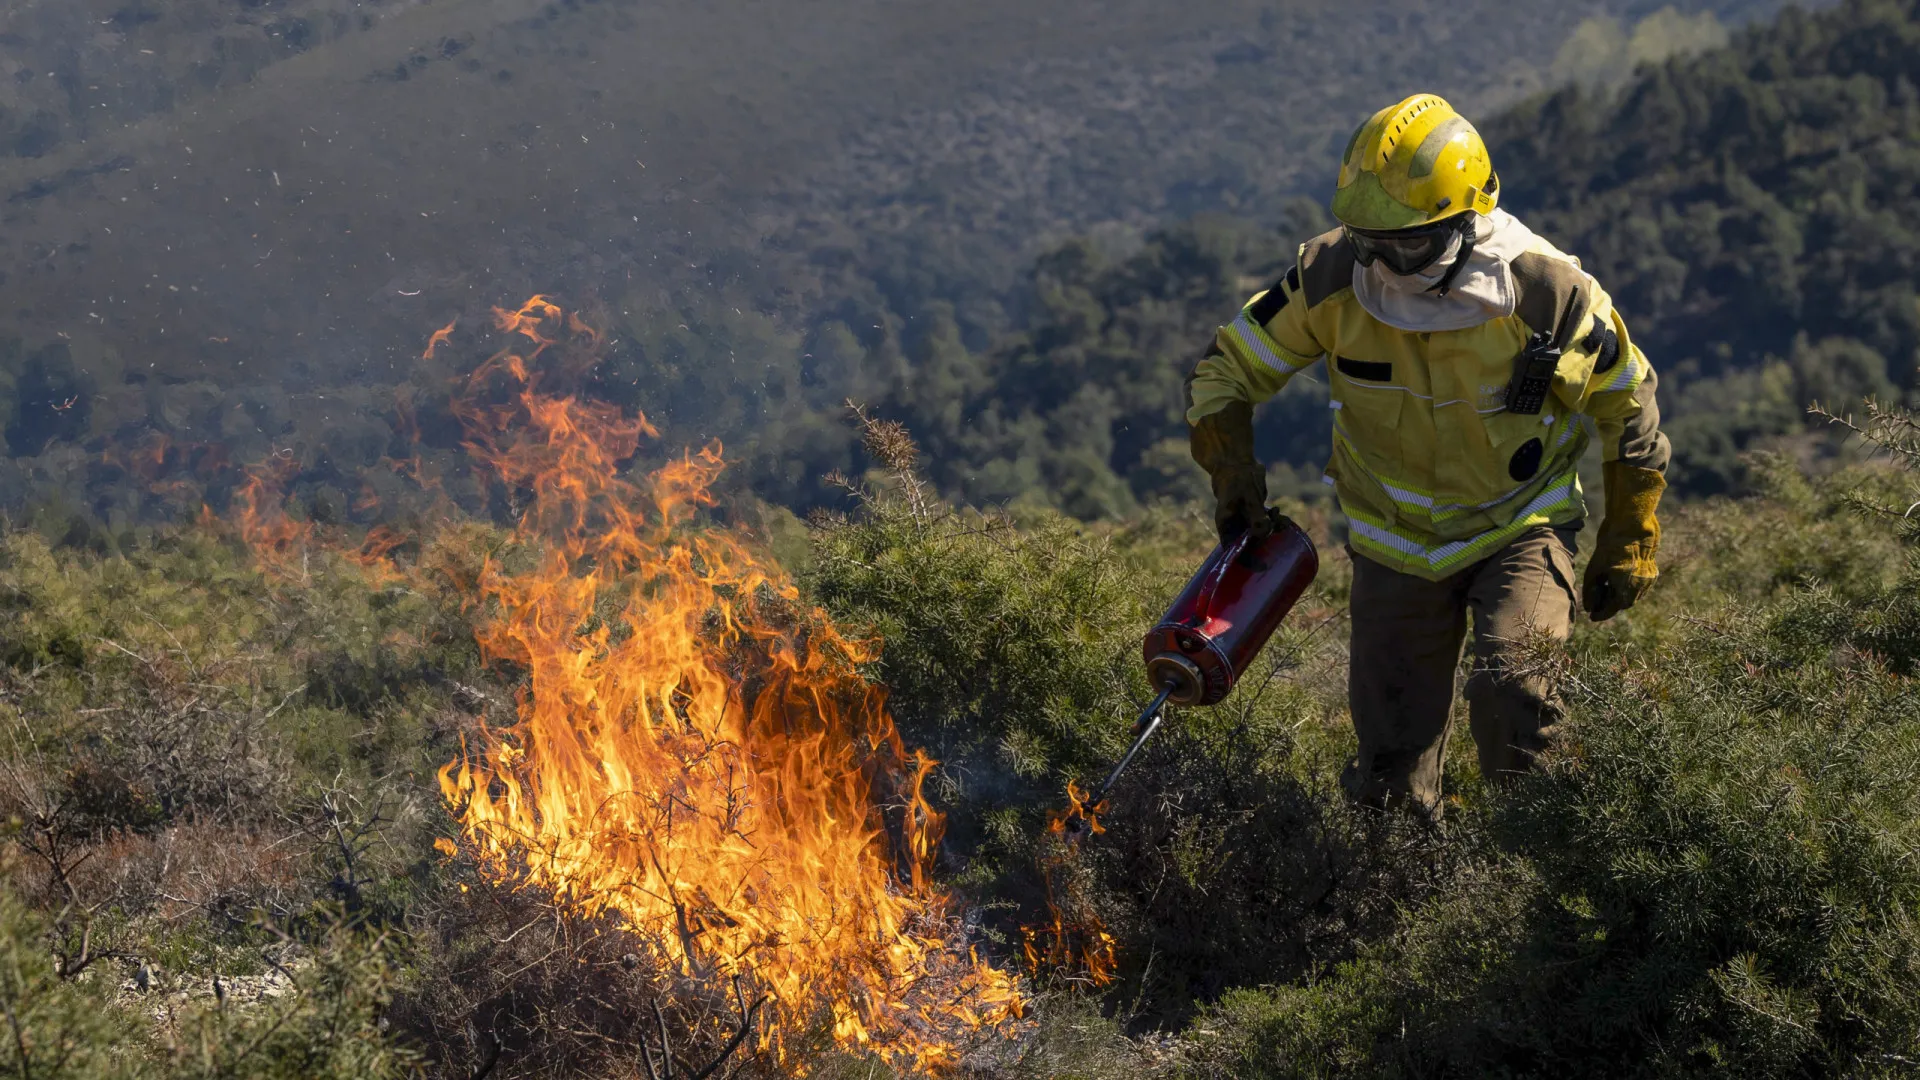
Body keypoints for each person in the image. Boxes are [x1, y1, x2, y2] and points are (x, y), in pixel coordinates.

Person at [1185, 94, 1669, 818]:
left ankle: (1534, 877)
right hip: (1394, 544)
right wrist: (1231, 471)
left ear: (1465, 217)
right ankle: (1403, 901)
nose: (1382, 262)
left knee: (1516, 692)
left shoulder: (1546, 293)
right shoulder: (1329, 274)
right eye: (1368, 239)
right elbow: (1226, 369)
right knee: (1389, 771)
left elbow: (1627, 401)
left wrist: (1629, 535)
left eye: (1404, 244)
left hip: (1518, 526)